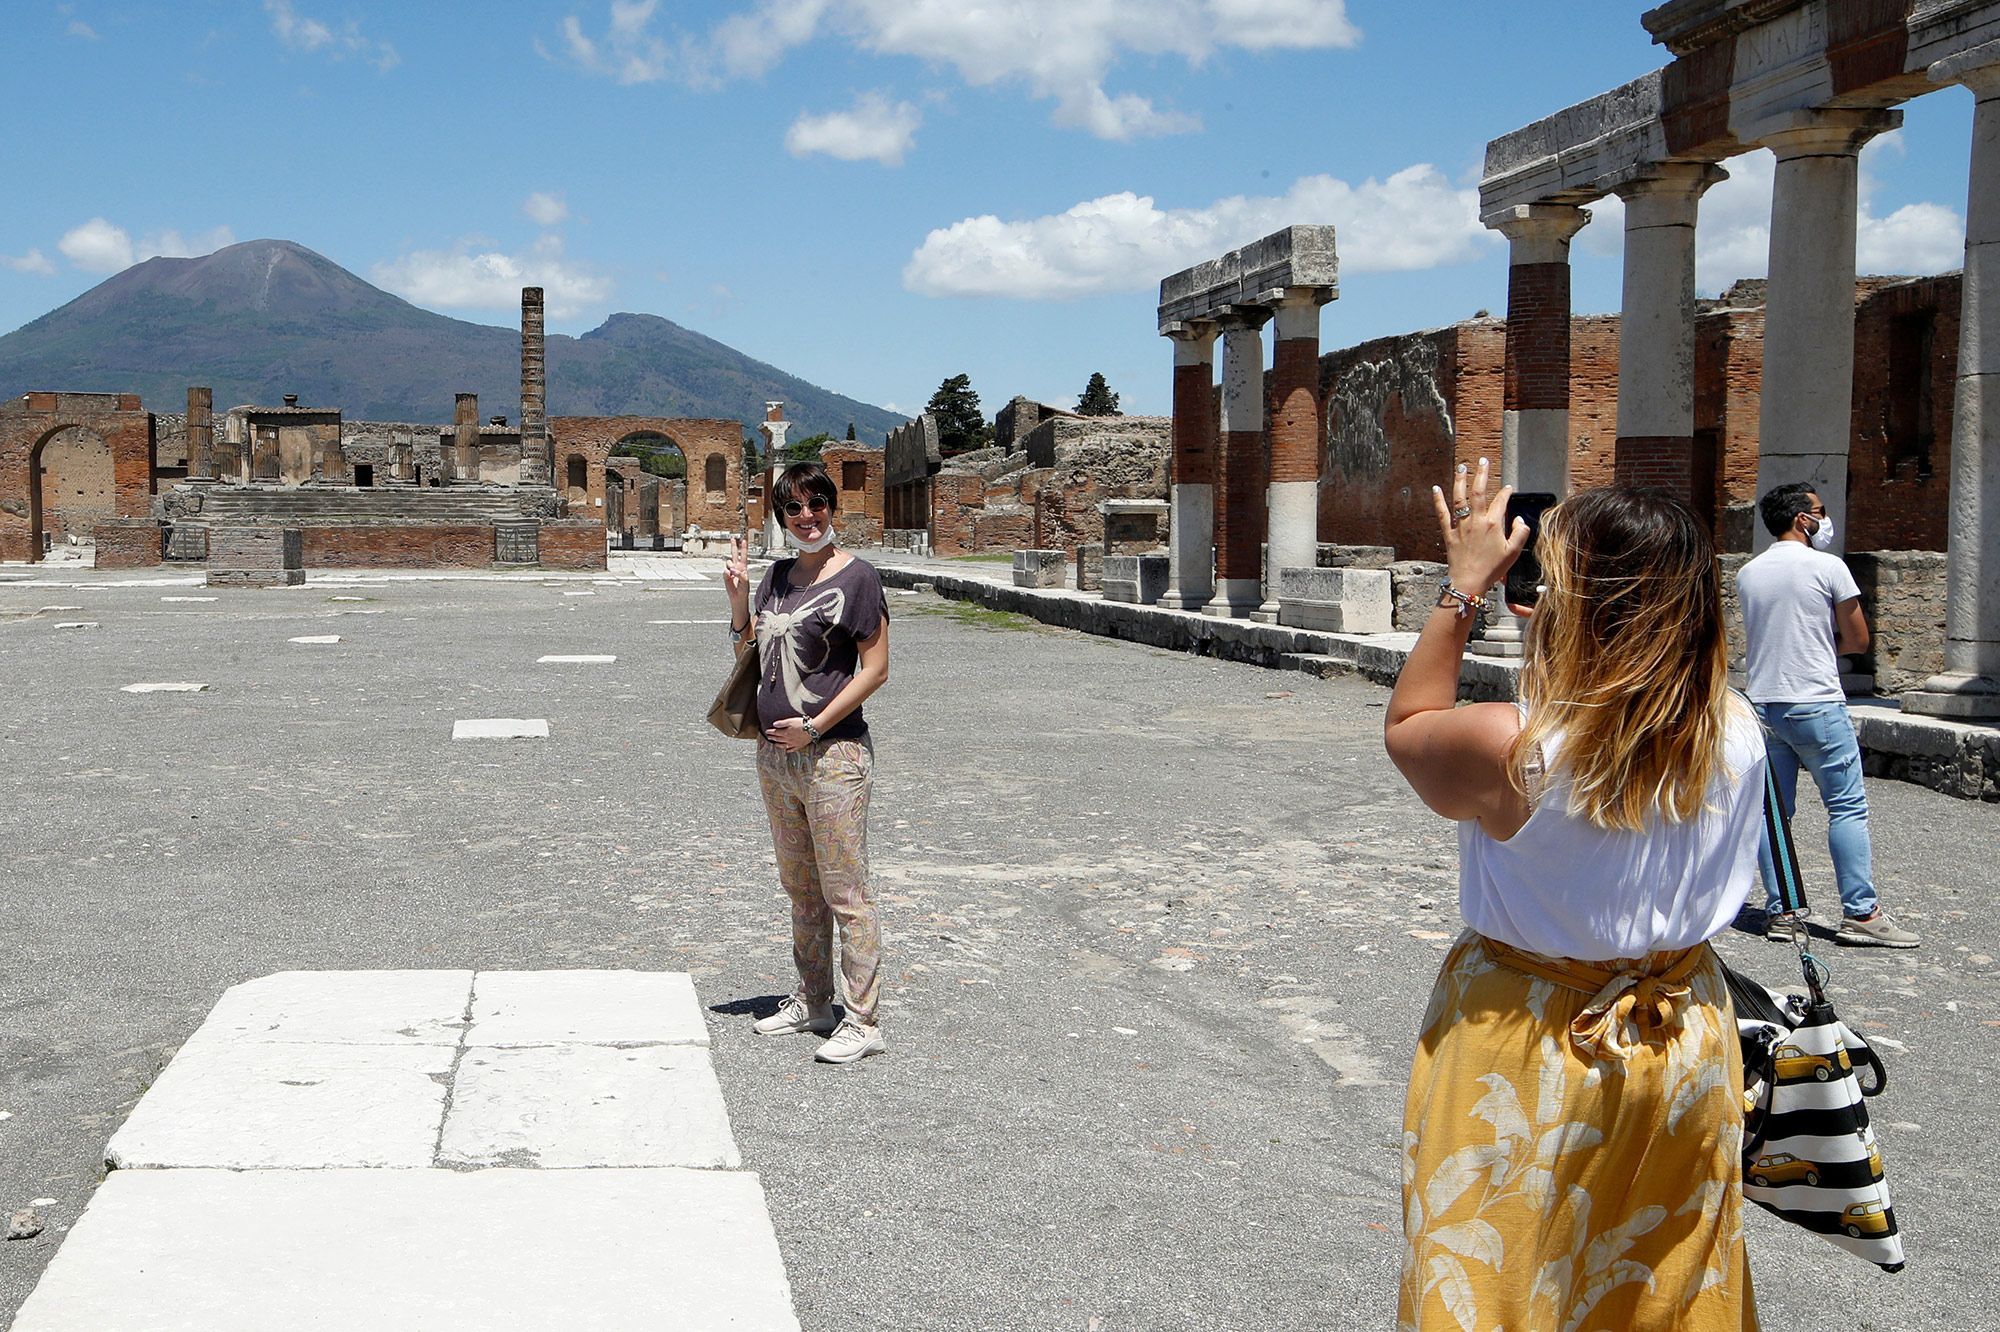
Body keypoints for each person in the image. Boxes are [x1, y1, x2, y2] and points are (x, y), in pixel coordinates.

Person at [1384, 463, 1763, 1330]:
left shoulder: (1512, 748)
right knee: (1659, 1284)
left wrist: (1464, 589)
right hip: (1687, 1031)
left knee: (1505, 1272)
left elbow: (1407, 729)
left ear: (1573, 602)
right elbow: (1626, 716)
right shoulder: (1739, 731)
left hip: (1531, 1038)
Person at [722, 461, 891, 1064]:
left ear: (831, 507)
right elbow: (749, 649)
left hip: (834, 754)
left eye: (815, 504)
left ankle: (864, 1020)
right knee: (800, 887)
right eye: (792, 509)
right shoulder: (776, 576)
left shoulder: (860, 579)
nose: (806, 517)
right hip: (775, 757)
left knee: (846, 890)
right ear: (782, 518)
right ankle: (814, 1000)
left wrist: (816, 725)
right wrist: (740, 601)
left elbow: (876, 669)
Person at [1737, 483, 1918, 949]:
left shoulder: (1749, 573)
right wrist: (1821, 646)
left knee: (1772, 813)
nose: (1824, 518)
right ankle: (1861, 912)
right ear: (1802, 518)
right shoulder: (1828, 566)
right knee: (1846, 807)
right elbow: (1857, 639)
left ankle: (1784, 911)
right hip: (1815, 699)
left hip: (1763, 702)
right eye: (1820, 510)